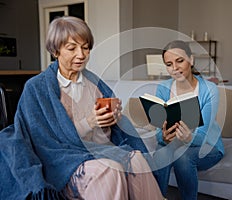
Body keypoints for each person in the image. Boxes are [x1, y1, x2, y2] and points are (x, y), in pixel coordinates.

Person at [0, 16, 164, 200]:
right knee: (110, 170)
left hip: (99, 151)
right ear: (56, 51)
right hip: (63, 159)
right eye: (72, 48)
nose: (81, 55)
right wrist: (89, 122)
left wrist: (112, 121)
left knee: (136, 159)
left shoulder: (94, 84)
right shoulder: (37, 88)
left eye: (85, 48)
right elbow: (44, 140)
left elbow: (109, 138)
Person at [153, 40, 225, 200]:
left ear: (191, 60)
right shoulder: (163, 88)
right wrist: (163, 137)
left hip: (207, 145)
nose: (175, 68)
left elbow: (203, 136)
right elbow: (159, 133)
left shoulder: (209, 90)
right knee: (160, 154)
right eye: (169, 64)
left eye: (180, 61)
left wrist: (189, 138)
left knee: (182, 157)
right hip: (173, 142)